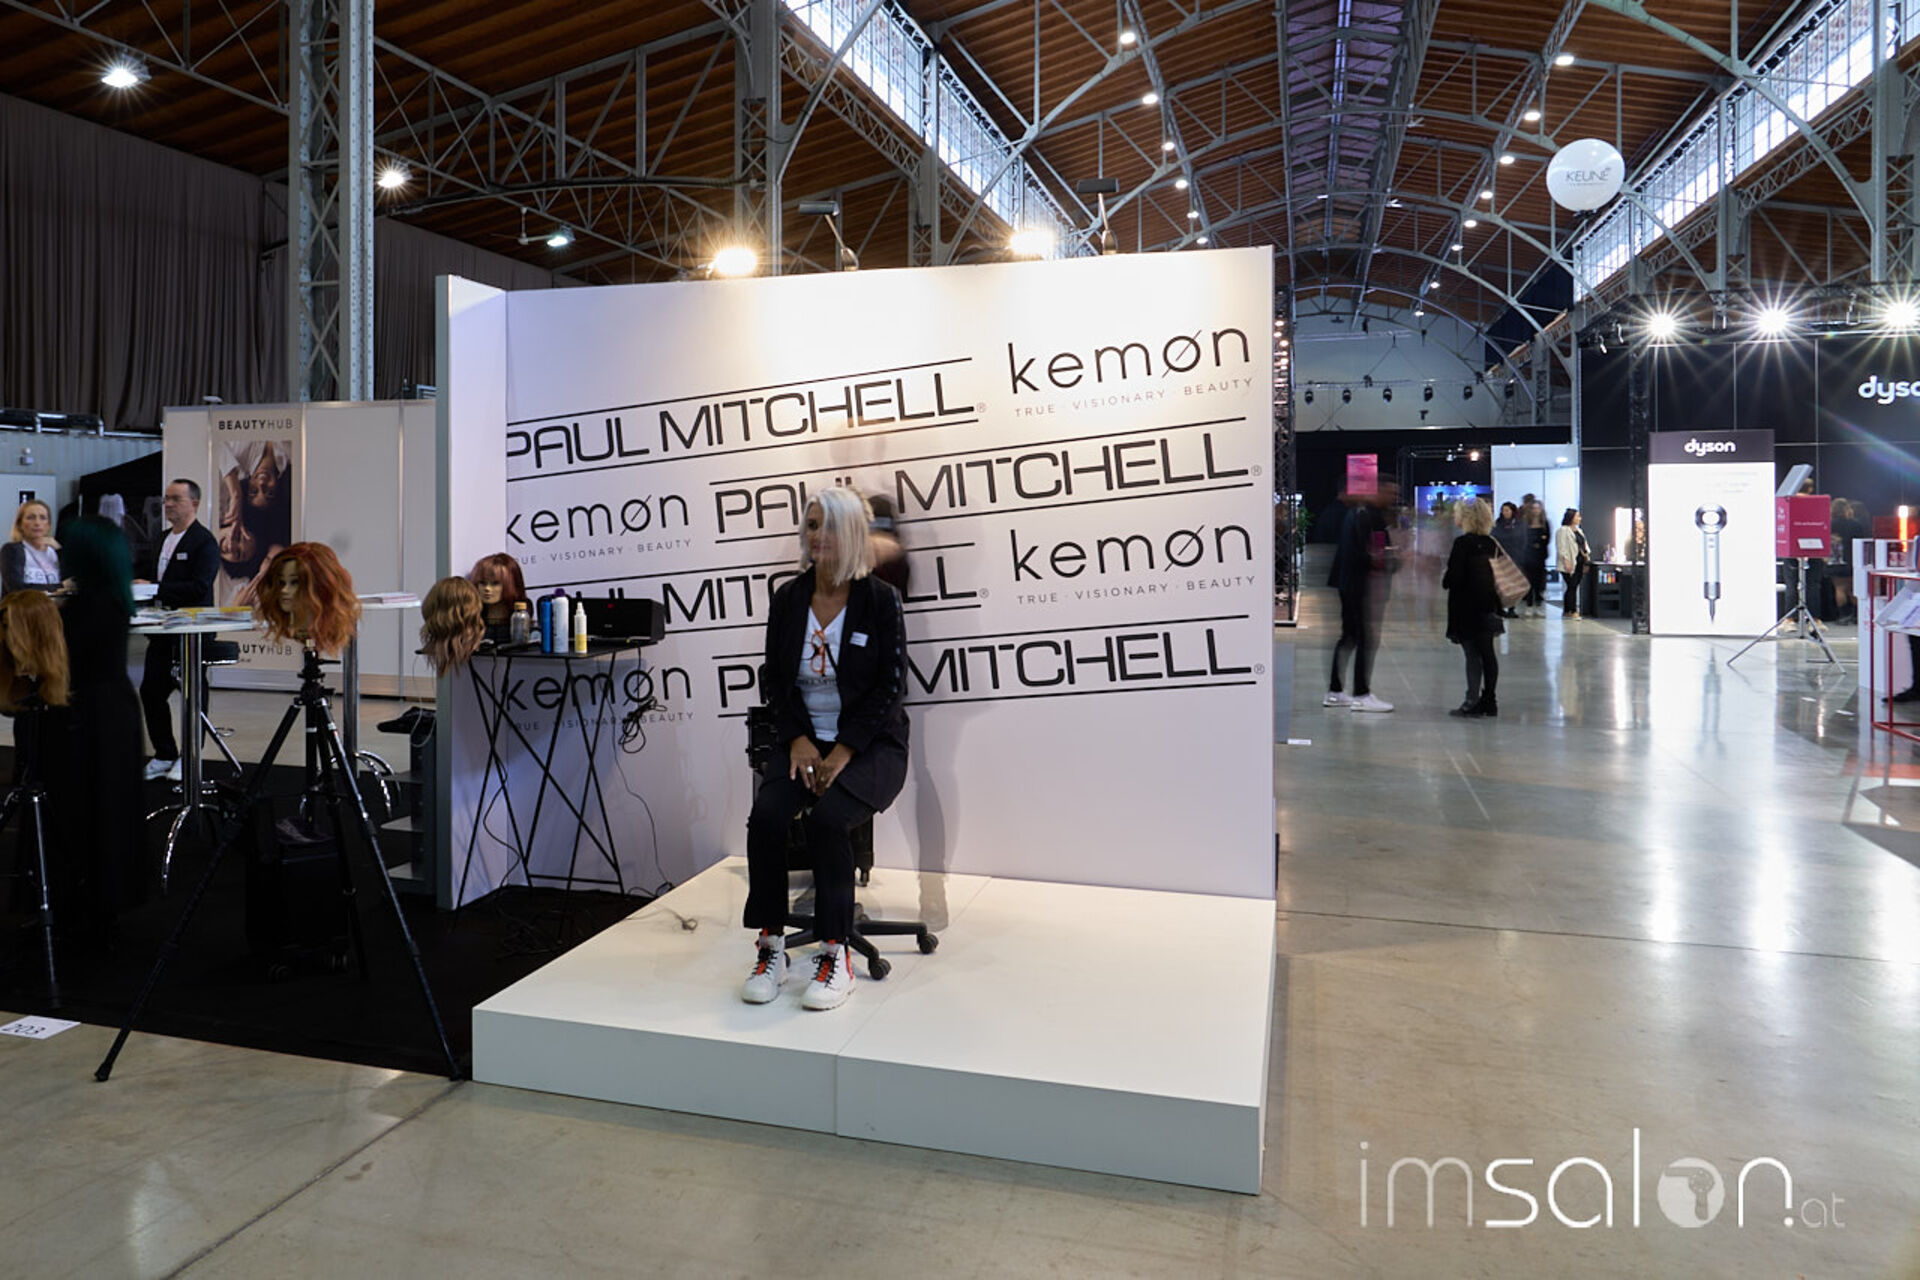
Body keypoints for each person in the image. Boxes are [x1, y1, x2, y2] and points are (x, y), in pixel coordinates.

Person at [741, 487, 909, 1011]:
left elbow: (889, 688)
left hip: (872, 745)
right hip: (803, 742)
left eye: (829, 526)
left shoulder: (880, 600)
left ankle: (836, 955)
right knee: (767, 818)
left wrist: (844, 750)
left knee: (828, 821)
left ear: (853, 532)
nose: (818, 536)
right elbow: (775, 680)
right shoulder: (788, 599)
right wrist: (797, 739)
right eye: (811, 525)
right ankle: (771, 946)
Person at [44, 516, 146, 943]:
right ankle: (99, 900)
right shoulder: (111, 598)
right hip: (109, 713)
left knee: (89, 806)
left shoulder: (90, 605)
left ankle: (87, 903)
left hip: (90, 716)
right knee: (108, 807)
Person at [135, 479, 219, 781]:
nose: (168, 504)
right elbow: (150, 575)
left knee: (193, 696)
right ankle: (164, 753)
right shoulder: (161, 538)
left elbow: (199, 586)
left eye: (175, 499)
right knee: (151, 692)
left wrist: (156, 588)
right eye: (166, 499)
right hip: (162, 630)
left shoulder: (204, 542)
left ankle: (190, 756)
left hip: (191, 633)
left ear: (194, 503)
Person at [1324, 484, 1396, 713]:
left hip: (1349, 585)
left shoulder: (1356, 514)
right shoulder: (1367, 516)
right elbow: (1371, 555)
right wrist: (1390, 558)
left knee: (1350, 637)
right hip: (1359, 587)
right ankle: (1361, 694)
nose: (1393, 498)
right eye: (1390, 493)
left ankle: (1336, 691)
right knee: (1363, 639)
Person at [1442, 499, 1504, 717]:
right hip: (1488, 604)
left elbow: (1454, 578)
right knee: (1488, 653)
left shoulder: (1462, 544)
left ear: (1465, 517)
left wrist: (1446, 578)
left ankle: (1472, 701)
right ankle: (1490, 700)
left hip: (1466, 606)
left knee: (1472, 654)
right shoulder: (1491, 543)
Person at [1, 499, 64, 595]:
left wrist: (60, 550)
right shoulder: (11, 550)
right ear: (20, 524)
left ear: (48, 525)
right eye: (31, 518)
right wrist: (59, 586)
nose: (37, 523)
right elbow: (16, 588)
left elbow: (73, 582)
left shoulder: (56, 551)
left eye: (43, 518)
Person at [467, 552, 527, 644]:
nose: (487, 588)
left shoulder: (521, 623)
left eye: (495, 583)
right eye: (482, 583)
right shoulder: (471, 624)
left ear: (511, 584)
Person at [1492, 502, 1525, 619]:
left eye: (1507, 510)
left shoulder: (1519, 524)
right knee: (1500, 583)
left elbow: (1523, 539)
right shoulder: (1498, 524)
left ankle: (1512, 608)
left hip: (1515, 556)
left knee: (1513, 583)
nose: (1505, 513)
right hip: (1501, 557)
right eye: (1503, 510)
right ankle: (1499, 608)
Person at [1556, 508, 1590, 619]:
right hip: (1569, 562)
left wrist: (1586, 561)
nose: (1579, 518)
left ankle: (1567, 610)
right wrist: (1566, 561)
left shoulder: (1579, 531)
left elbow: (1584, 546)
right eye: (1577, 516)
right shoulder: (1563, 531)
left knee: (1573, 586)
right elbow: (1562, 547)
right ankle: (1573, 610)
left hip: (1579, 561)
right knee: (1572, 585)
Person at [1521, 501, 1551, 617]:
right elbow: (1524, 539)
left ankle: (1538, 605)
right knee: (1529, 581)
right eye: (1533, 508)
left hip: (1540, 556)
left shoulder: (1545, 523)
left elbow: (1546, 539)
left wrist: (1539, 541)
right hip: (1527, 556)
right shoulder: (1526, 523)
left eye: (1538, 508)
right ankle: (1528, 605)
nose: (1535, 511)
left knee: (1539, 582)